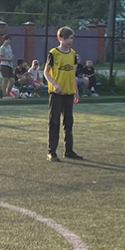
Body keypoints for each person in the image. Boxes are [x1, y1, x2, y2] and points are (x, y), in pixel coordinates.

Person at [44, 27, 83, 162]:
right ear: (60, 38)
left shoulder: (73, 54)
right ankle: (51, 152)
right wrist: (54, 85)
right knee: (54, 122)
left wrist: (76, 91)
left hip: (68, 93)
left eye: (71, 38)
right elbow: (46, 72)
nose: (70, 41)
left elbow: (73, 74)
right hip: (56, 94)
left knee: (68, 122)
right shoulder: (53, 53)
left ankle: (69, 150)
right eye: (67, 38)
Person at [0, 34, 15, 99]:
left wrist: (12, 57)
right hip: (4, 65)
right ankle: (4, 95)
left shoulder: (9, 47)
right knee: (5, 80)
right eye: (8, 40)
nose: (9, 41)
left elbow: (10, 54)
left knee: (12, 80)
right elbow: (0, 57)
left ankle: (8, 93)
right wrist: (8, 59)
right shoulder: (2, 47)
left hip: (10, 65)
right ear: (5, 40)